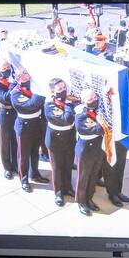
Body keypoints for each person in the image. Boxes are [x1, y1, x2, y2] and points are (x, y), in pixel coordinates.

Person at [10, 69, 48, 190]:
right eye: (24, 76)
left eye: (27, 75)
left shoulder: (33, 88)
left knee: (35, 152)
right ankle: (24, 179)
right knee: (23, 155)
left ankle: (35, 174)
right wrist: (40, 94)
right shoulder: (16, 93)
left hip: (36, 124)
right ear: (18, 78)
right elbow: (29, 106)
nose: (27, 77)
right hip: (24, 127)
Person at [43, 78, 78, 207]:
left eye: (64, 88)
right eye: (60, 89)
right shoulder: (50, 105)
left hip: (69, 138)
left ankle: (68, 187)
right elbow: (67, 119)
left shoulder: (69, 101)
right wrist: (69, 104)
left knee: (68, 164)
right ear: (53, 91)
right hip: (56, 140)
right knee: (57, 167)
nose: (63, 91)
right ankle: (58, 192)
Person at [73, 90, 107, 216]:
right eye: (89, 99)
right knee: (83, 177)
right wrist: (103, 124)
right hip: (85, 149)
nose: (93, 100)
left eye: (94, 97)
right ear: (83, 102)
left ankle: (89, 198)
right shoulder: (81, 115)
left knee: (93, 175)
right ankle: (81, 201)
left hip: (97, 148)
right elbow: (87, 130)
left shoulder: (99, 111)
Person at [0, 59, 18, 179]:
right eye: (4, 68)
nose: (7, 70)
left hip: (16, 113)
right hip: (5, 113)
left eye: (8, 67)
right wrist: (13, 85)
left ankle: (16, 164)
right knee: (5, 142)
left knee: (15, 140)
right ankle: (7, 167)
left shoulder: (15, 79)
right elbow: (4, 98)